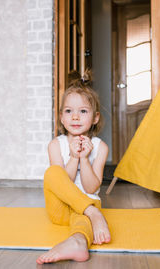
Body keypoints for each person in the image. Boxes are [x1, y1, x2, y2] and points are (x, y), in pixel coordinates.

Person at [36, 70, 111, 264]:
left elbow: (91, 188)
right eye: (69, 111)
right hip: (62, 208)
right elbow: (61, 182)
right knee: (52, 172)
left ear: (95, 118)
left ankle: (78, 242)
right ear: (61, 117)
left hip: (84, 207)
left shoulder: (101, 148)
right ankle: (93, 213)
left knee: (81, 222)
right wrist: (73, 157)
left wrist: (85, 159)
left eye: (83, 111)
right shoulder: (55, 145)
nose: (75, 117)